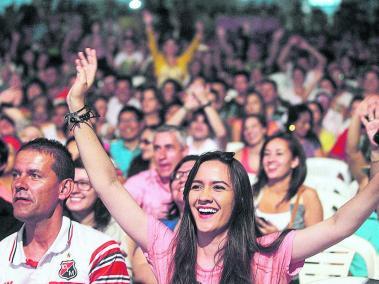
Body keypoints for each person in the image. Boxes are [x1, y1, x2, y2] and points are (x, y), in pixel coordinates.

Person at [67, 48, 379, 284]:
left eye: (218, 187)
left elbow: (341, 224)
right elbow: (107, 184)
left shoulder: (269, 252)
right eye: (197, 186)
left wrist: (376, 154)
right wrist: (76, 105)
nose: (204, 195)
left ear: (240, 198)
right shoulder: (167, 247)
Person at [0, 138, 130, 283]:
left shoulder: (100, 252)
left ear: (64, 188)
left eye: (34, 175)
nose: (19, 184)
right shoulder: (1, 254)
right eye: (16, 175)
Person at [65, 158, 133, 277]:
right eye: (71, 183)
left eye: (84, 183)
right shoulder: (52, 225)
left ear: (99, 190)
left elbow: (125, 275)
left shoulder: (120, 227)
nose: (74, 190)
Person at [253, 132, 323, 234]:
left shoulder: (307, 196)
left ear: (294, 161)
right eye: (267, 154)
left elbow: (317, 242)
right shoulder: (253, 193)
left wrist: (277, 237)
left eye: (279, 153)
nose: (271, 159)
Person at [124, 124, 188, 219]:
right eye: (157, 148)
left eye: (169, 147)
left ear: (184, 151)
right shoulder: (138, 184)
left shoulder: (198, 181)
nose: (161, 156)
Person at [143, 10, 203, 86]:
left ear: (177, 48)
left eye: (173, 45)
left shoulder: (183, 60)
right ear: (164, 47)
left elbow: (194, 46)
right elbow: (152, 42)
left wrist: (200, 30)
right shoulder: (158, 59)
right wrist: (149, 23)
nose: (170, 48)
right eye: (167, 45)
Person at [109, 105, 143, 177]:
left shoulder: (147, 147)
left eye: (132, 120)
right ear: (118, 125)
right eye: (123, 121)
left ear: (141, 124)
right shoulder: (110, 149)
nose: (127, 125)